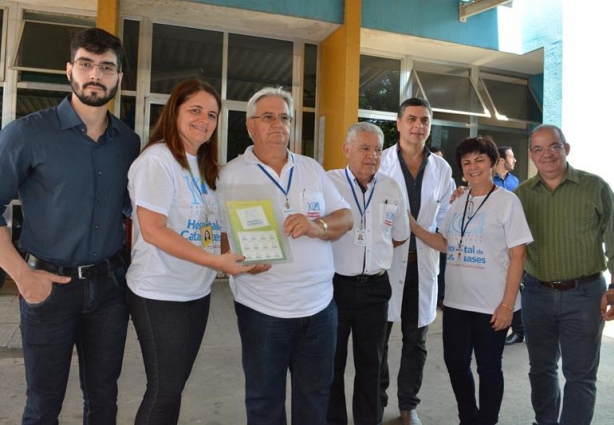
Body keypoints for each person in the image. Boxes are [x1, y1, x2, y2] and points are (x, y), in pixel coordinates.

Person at [0, 28, 140, 424]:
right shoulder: (27, 134)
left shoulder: (129, 143)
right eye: (86, 64)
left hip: (110, 289)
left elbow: (138, 212)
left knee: (103, 401)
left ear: (118, 78)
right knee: (43, 406)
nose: (95, 75)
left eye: (106, 67)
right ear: (69, 70)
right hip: (48, 288)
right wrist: (22, 275)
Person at [218, 87, 353, 425]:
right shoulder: (229, 175)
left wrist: (317, 226)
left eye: (284, 117)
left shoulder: (311, 169)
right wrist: (238, 265)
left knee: (314, 397)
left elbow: (346, 217)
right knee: (264, 400)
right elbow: (220, 237)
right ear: (251, 126)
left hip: (320, 308)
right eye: (268, 117)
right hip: (263, 310)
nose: (277, 124)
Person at [126, 79, 256, 424]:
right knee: (164, 388)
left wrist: (243, 257)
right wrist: (216, 262)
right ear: (175, 112)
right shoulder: (158, 160)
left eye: (212, 114)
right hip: (159, 291)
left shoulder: (204, 165)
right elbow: (153, 230)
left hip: (195, 292)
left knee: (174, 386)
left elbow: (212, 231)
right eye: (195, 110)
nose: (204, 120)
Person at [411, 135, 533, 425]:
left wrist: (507, 305)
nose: (473, 166)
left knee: (489, 368)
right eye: (467, 162)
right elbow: (446, 243)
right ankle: (469, 417)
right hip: (456, 302)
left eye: (480, 159)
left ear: (493, 162)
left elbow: (519, 256)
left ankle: (487, 420)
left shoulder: (507, 202)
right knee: (455, 364)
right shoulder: (458, 201)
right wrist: (413, 226)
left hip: (492, 304)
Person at [515, 124, 614, 425]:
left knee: (580, 374)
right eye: (539, 149)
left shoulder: (594, 187)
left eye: (554, 146)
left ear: (566, 149)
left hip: (585, 295)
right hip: (537, 293)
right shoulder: (520, 195)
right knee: (541, 369)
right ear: (531, 155)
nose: (547, 154)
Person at [326, 122, 410, 425]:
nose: (372, 155)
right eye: (364, 148)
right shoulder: (328, 183)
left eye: (377, 149)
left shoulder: (390, 187)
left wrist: (376, 251)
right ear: (346, 150)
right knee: (331, 365)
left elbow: (399, 234)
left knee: (372, 365)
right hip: (334, 288)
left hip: (375, 288)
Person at [379, 98, 455, 425]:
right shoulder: (379, 163)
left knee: (416, 342)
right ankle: (376, 400)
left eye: (424, 120)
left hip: (422, 265)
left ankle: (408, 404)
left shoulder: (442, 169)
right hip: (384, 265)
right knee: (376, 341)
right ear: (398, 123)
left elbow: (448, 216)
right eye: (411, 119)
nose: (418, 125)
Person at [493, 145, 525, 346]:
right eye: (511, 157)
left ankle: (519, 330)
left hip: (513, 244)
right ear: (501, 160)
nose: (514, 160)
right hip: (495, 245)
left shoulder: (515, 182)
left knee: (516, 286)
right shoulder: (488, 181)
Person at [430, 146, 450, 309]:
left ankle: (441, 296)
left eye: (441, 158)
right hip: (428, 231)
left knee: (442, 268)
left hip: (441, 231)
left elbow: (447, 208)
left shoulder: (448, 179)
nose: (439, 162)